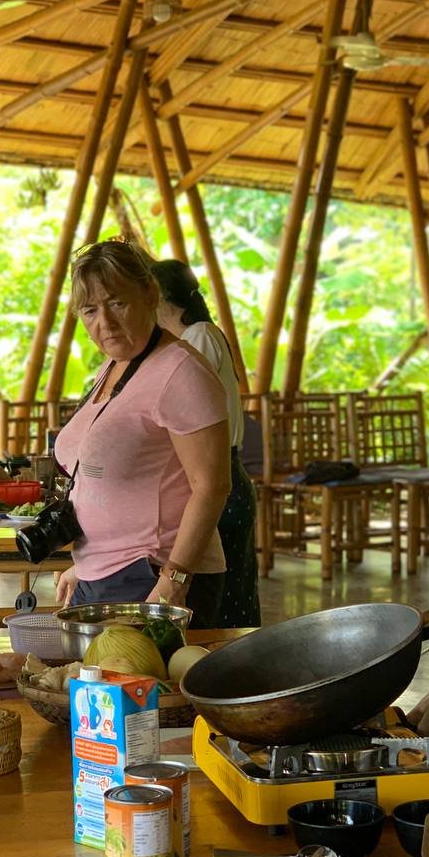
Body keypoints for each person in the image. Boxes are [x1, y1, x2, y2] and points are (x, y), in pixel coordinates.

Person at [52, 241, 230, 628]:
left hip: (152, 575)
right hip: (109, 573)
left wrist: (175, 580)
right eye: (90, 310)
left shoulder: (180, 371)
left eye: (117, 303)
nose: (105, 322)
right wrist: (86, 565)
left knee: (135, 689)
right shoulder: (116, 365)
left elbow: (212, 485)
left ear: (150, 294)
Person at [152, 258, 259, 627]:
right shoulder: (193, 336)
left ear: (160, 296)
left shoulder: (197, 338)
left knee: (224, 597)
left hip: (215, 476)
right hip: (212, 474)